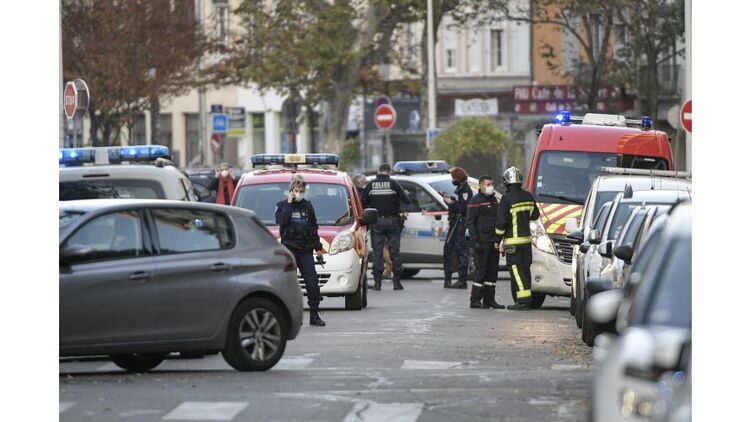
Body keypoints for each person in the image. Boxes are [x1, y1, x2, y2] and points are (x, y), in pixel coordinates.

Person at [275, 175, 326, 326]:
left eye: (301, 191)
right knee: (288, 283)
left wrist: (318, 248)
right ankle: (290, 317)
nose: (299, 193)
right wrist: (289, 203)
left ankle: (314, 314)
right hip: (289, 250)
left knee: (312, 282)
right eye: (296, 190)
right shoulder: (282, 205)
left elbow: (313, 229)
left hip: (305, 250)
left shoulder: (308, 206)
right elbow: (282, 221)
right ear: (291, 190)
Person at [495, 166, 540, 311]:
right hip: (526, 241)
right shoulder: (528, 196)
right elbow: (535, 215)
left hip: (512, 242)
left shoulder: (506, 199)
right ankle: (526, 299)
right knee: (525, 270)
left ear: (506, 182)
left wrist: (497, 240)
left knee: (516, 270)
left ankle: (523, 301)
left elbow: (501, 223)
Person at [363, 163, 411, 290]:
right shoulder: (393, 184)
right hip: (393, 221)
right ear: (389, 172)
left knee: (377, 252)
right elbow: (407, 200)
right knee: (394, 251)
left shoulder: (371, 184)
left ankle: (377, 283)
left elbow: (363, 202)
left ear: (378, 171)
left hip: (376, 221)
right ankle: (397, 282)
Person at [466, 175, 504, 309]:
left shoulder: (494, 200)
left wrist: (498, 239)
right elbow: (470, 222)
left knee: (492, 271)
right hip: (482, 242)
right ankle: (475, 300)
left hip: (493, 241)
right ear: (481, 185)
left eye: (492, 184)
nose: (491, 187)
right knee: (481, 271)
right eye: (488, 184)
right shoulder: (475, 200)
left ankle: (489, 299)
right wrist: (475, 241)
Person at [354, 173, 394, 279]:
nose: (365, 185)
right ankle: (389, 269)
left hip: (372, 222)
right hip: (376, 221)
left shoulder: (360, 192)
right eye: (364, 182)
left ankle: (390, 267)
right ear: (359, 183)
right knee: (384, 246)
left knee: (380, 247)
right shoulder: (361, 192)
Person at [441, 167, 473, 289]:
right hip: (455, 223)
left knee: (460, 251)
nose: (452, 180)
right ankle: (448, 279)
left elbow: (462, 208)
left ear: (458, 178)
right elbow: (458, 204)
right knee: (448, 250)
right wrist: (449, 200)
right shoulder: (460, 188)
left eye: (453, 178)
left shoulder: (465, 190)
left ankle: (462, 280)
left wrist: (450, 202)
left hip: (459, 224)